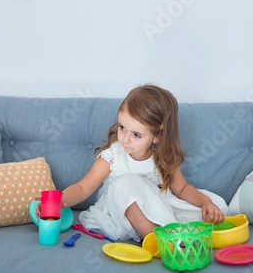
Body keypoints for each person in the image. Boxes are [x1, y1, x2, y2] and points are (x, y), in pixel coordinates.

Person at [60, 84, 227, 242]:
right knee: (125, 183)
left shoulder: (163, 158)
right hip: (122, 216)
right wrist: (61, 200)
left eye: (136, 135)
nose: (125, 138)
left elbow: (182, 189)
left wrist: (206, 203)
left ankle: (171, 230)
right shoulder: (112, 157)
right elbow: (83, 188)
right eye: (122, 127)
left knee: (218, 205)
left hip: (157, 209)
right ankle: (156, 239)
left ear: (157, 137)